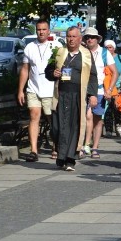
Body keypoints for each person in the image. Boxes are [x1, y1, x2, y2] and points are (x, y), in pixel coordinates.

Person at [48, 26, 97, 172]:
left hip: (78, 95)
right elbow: (48, 71)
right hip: (61, 95)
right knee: (57, 128)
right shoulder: (60, 52)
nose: (71, 39)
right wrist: (53, 73)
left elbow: (93, 76)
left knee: (74, 127)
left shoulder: (86, 55)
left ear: (80, 39)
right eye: (69, 36)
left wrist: (92, 94)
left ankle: (70, 159)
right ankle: (60, 155)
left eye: (74, 36)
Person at [17, 19, 56, 162]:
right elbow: (25, 70)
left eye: (44, 29)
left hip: (50, 89)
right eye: (39, 29)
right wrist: (21, 90)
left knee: (52, 119)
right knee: (34, 116)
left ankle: (56, 146)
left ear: (48, 31)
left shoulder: (56, 46)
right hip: (33, 88)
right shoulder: (30, 47)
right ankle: (34, 150)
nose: (41, 32)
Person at [82, 27, 116, 160]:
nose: (89, 39)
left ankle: (94, 147)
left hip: (100, 90)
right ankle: (85, 145)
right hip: (84, 90)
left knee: (97, 120)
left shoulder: (104, 52)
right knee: (87, 116)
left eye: (92, 37)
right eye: (87, 37)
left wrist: (109, 90)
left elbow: (115, 72)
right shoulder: (82, 51)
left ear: (97, 39)